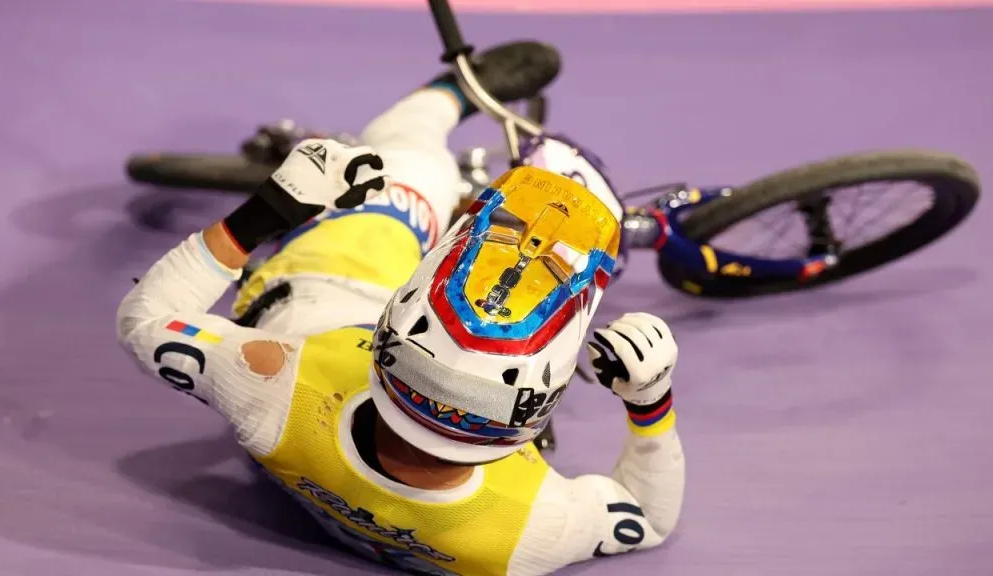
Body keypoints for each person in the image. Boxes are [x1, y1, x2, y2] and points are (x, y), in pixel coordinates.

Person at [117, 42, 685, 576]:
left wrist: (269, 209)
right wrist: (649, 400)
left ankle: (445, 96)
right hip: (356, 316)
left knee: (414, 163)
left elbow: (145, 319)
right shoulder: (524, 534)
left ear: (385, 340)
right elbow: (649, 516)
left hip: (325, 285)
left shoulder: (275, 387)